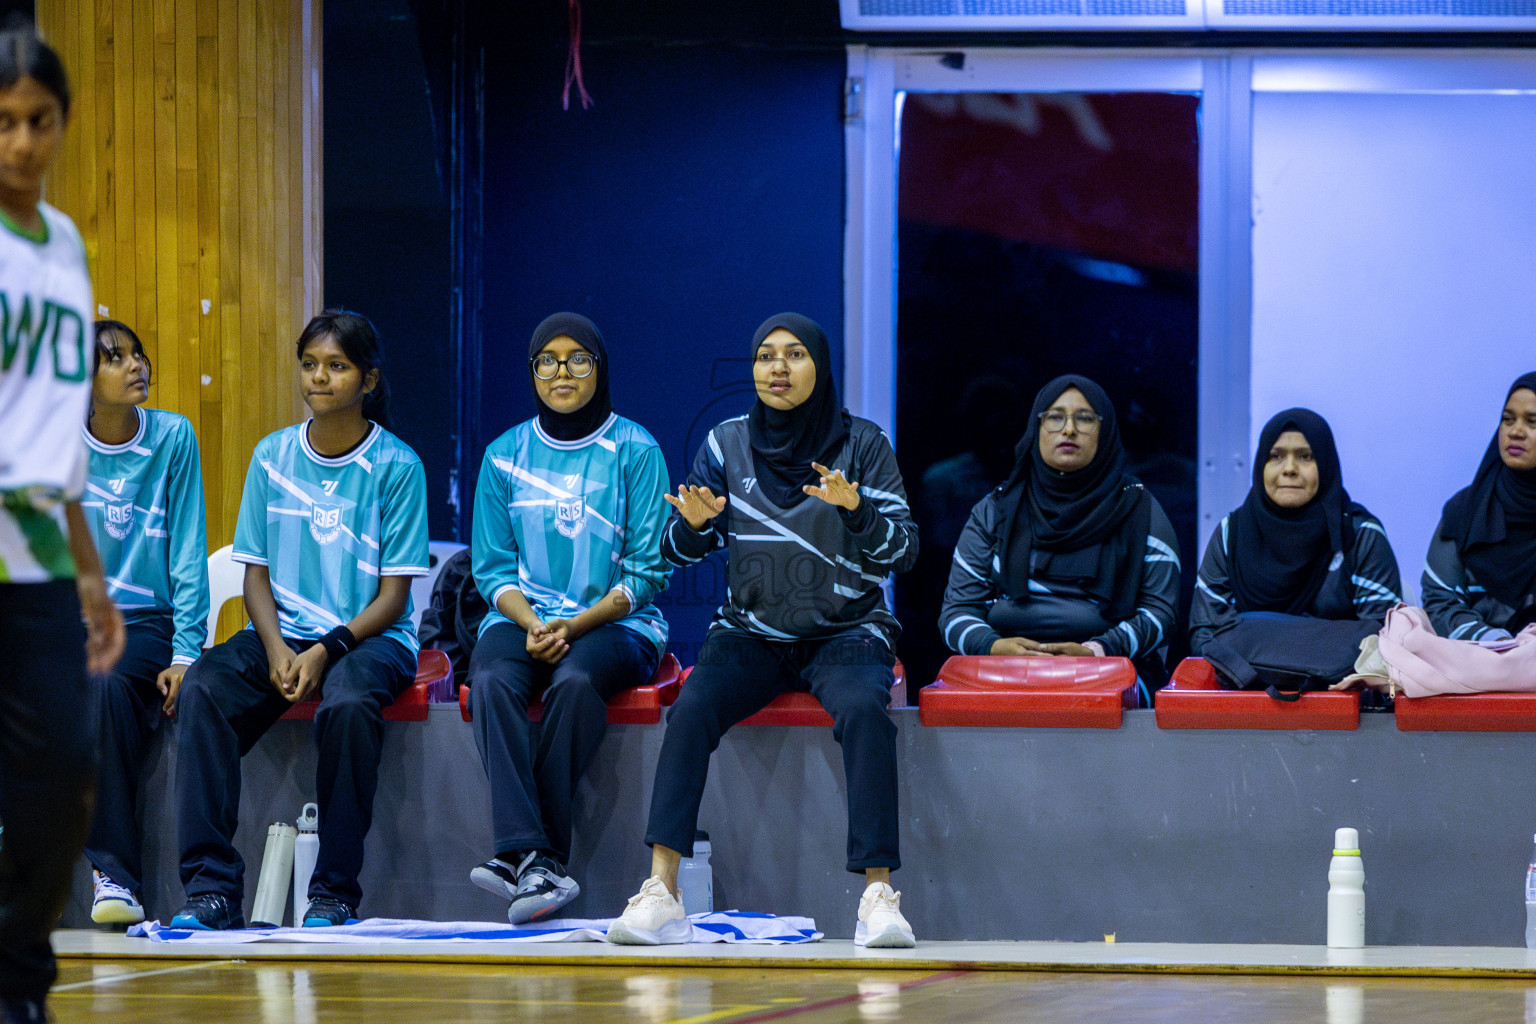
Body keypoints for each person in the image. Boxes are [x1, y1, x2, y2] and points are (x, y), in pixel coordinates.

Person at [605, 313, 919, 948]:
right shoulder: (726, 443)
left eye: (795, 354)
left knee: (864, 710)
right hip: (751, 632)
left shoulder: (864, 444)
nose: (777, 367)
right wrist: (694, 527)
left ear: (820, 367)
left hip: (849, 630)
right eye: (765, 356)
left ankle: (877, 897)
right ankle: (662, 891)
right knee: (690, 710)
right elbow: (676, 550)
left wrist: (858, 512)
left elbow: (903, 552)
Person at [170, 310, 428, 930]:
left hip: (371, 639)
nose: (319, 378)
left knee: (345, 703)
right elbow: (253, 571)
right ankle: (211, 889)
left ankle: (334, 893)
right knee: (203, 689)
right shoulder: (272, 454)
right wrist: (279, 646)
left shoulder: (398, 466)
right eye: (310, 365)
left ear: (367, 380)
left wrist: (326, 650)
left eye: (336, 366)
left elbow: (394, 599)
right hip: (281, 634)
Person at [467, 313, 671, 923]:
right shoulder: (504, 455)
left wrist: (573, 627)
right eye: (547, 360)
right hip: (523, 615)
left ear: (599, 369)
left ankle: (536, 857)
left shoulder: (635, 448)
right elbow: (492, 569)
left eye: (577, 359)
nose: (562, 372)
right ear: (532, 372)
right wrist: (532, 621)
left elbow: (647, 572)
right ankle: (530, 854)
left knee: (576, 682)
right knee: (492, 681)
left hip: (617, 623)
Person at [0, 27, 125, 1023]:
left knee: (64, 773)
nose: (20, 143)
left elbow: (56, 421)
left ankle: (19, 978)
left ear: (64, 124)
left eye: (38, 121)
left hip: (39, 549)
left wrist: (90, 566)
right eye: (2, 123)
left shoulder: (69, 244)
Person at [937, 375, 1179, 702]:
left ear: (1105, 432)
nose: (1069, 429)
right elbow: (955, 614)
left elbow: (1160, 615)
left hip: (1112, 670)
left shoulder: (1140, 510)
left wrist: (1097, 651)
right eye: (1054, 417)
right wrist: (992, 646)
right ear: (1036, 430)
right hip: (1003, 671)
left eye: (1084, 418)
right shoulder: (995, 510)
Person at [81, 319, 209, 926]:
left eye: (138, 353)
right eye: (114, 357)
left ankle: (116, 877)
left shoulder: (173, 437)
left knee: (102, 685)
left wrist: (187, 651)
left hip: (143, 623)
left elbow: (187, 551)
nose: (135, 365)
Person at [1188, 409, 1402, 691]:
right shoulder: (1233, 532)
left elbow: (1381, 644)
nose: (1289, 468)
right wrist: (1327, 642)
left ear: (1325, 464)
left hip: (1341, 702)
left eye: (1305, 456)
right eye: (1275, 456)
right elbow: (1205, 635)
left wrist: (1250, 635)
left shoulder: (1359, 534)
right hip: (1242, 696)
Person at [1423, 373, 1536, 640]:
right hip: (1478, 661)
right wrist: (1492, 642)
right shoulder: (1466, 510)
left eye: (1532, 422)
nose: (1515, 431)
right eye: (1508, 420)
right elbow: (1440, 598)